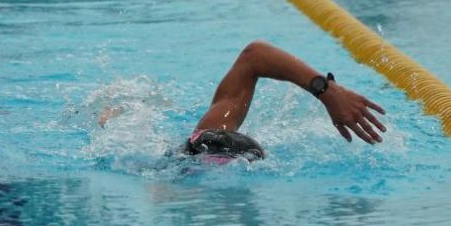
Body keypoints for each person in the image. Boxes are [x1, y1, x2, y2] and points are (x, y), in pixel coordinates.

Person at [156, 40, 387, 162]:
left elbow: (254, 56)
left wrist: (328, 92)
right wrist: (326, 91)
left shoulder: (200, 143)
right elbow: (254, 56)